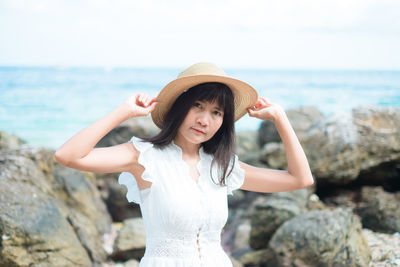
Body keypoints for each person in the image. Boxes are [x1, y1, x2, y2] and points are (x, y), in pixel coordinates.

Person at [54, 62, 314, 266]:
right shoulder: (144, 156)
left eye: (216, 112)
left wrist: (280, 118)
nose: (204, 120)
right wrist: (124, 112)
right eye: (197, 106)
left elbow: (300, 179)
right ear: (179, 108)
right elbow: (68, 155)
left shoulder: (222, 166)